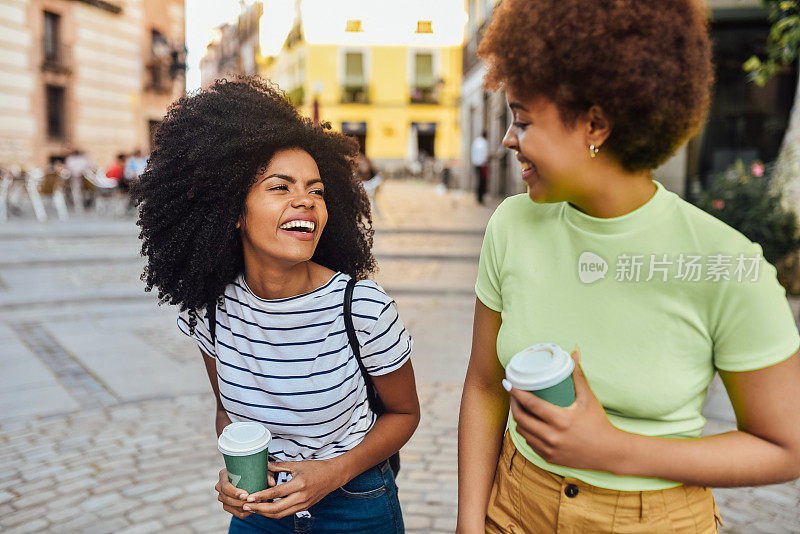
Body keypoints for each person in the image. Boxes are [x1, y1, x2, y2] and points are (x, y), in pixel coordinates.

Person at [456, 1, 800, 533]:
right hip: (514, 506)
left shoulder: (726, 264)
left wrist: (614, 450)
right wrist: (469, 524)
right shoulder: (511, 225)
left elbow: (785, 447)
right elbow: (483, 385)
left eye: (522, 119)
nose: (508, 139)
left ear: (595, 123)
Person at [133, 77, 419, 534]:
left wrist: (333, 473)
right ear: (234, 210)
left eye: (316, 190)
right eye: (280, 187)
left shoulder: (362, 307)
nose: (305, 200)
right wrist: (235, 473)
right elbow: (228, 411)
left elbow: (405, 415)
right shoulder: (211, 310)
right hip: (260, 511)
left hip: (356, 504)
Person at [471, 131, 489, 204]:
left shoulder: (476, 142)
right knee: (482, 182)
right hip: (482, 165)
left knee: (478, 181)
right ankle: (480, 198)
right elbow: (485, 155)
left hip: (476, 164)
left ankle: (478, 197)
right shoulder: (484, 143)